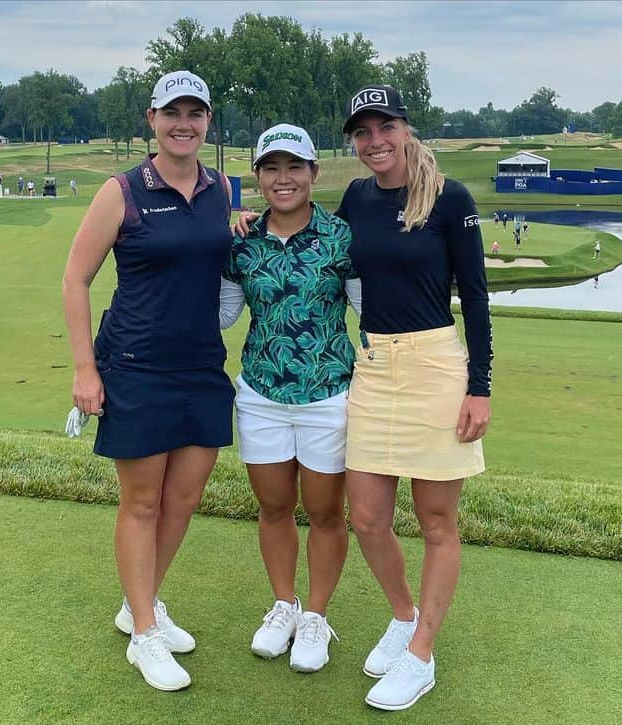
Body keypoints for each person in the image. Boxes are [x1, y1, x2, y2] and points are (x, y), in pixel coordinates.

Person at [62, 70, 234, 693]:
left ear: (208, 120)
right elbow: (74, 280)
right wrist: (85, 368)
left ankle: (144, 600)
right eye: (172, 113)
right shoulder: (123, 191)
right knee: (142, 502)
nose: (183, 123)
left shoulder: (219, 189)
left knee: (183, 498)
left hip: (202, 368)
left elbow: (220, 252)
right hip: (136, 366)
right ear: (152, 119)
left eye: (195, 112)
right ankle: (143, 630)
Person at [337, 85, 492, 711]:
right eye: (363, 132)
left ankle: (422, 655)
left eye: (385, 128)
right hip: (373, 366)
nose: (375, 141)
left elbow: (476, 297)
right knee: (367, 516)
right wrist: (252, 224)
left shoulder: (450, 199)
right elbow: (321, 247)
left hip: (435, 365)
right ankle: (404, 616)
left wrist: (479, 388)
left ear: (406, 129)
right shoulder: (355, 197)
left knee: (435, 520)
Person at [220, 124, 359, 674]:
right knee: (274, 506)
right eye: (271, 168)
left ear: (313, 173)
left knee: (326, 511)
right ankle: (285, 605)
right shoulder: (243, 242)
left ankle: (317, 616)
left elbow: (371, 314)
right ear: (257, 176)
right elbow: (224, 314)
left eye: (294, 167)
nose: (283, 179)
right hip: (260, 392)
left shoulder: (340, 237)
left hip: (328, 394)